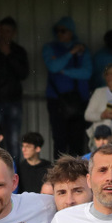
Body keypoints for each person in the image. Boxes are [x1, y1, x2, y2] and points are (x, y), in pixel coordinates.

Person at [43, 17, 92, 157]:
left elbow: (87, 73)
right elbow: (53, 67)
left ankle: (77, 176)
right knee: (60, 140)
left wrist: (64, 71)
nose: (60, 34)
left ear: (71, 32)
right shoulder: (49, 48)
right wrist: (71, 53)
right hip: (57, 101)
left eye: (63, 31)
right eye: (57, 31)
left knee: (77, 141)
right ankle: (59, 176)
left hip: (79, 100)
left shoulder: (83, 49)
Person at [0, 17, 30, 151]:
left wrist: (9, 56)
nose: (4, 34)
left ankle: (13, 171)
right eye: (2, 31)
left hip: (13, 101)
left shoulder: (18, 51)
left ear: (14, 33)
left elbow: (24, 74)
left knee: (13, 141)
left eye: (8, 31)